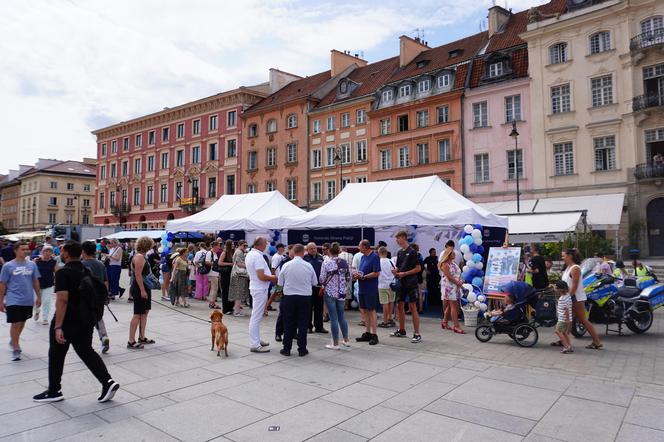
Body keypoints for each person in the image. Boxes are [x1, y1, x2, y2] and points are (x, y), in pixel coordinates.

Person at [32, 241, 120, 404]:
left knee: (56, 354)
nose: (60, 253)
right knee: (87, 351)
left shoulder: (63, 273)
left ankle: (54, 390)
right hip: (85, 320)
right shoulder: (86, 270)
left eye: (62, 251)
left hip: (68, 321)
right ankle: (107, 382)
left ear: (65, 253)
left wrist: (58, 326)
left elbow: (62, 300)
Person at [0, 242, 41, 361]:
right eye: (23, 249)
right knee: (16, 323)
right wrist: (1, 301)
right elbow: (2, 284)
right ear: (15, 251)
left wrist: (39, 296)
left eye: (27, 249)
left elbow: (35, 281)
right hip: (13, 299)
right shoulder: (8, 266)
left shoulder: (32, 265)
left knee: (22, 322)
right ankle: (16, 348)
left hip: (27, 299)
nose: (26, 251)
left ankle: (13, 339)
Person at [278, 244, 318, 357]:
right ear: (302, 253)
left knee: (288, 323)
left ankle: (286, 349)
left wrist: (276, 294)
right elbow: (315, 282)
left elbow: (280, 284)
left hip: (289, 297)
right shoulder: (308, 265)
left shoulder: (286, 265)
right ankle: (302, 349)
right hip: (305, 297)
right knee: (303, 323)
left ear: (294, 252)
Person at [562, 248, 602, 350]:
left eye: (564, 256)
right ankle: (564, 340)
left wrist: (568, 296)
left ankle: (596, 341)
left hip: (576, 297)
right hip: (571, 296)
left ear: (570, 256)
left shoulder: (575, 268)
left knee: (583, 320)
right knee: (567, 319)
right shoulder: (568, 267)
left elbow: (574, 285)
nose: (562, 258)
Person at [245, 237, 277, 353]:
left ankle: (256, 340)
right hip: (259, 288)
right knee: (256, 316)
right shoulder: (257, 256)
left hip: (257, 287)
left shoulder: (251, 254)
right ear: (260, 244)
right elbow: (261, 276)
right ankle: (254, 343)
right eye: (265, 243)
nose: (267, 245)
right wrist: (273, 277)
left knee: (257, 316)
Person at [391, 231, 423, 342]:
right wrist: (396, 271)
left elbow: (418, 268)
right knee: (400, 306)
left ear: (404, 238)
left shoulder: (413, 252)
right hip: (401, 283)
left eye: (398, 238)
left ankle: (417, 333)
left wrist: (404, 274)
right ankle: (402, 330)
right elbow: (399, 268)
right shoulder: (400, 252)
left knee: (413, 307)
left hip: (411, 283)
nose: (396, 240)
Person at [81, 241, 111, 354]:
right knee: (98, 318)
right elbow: (106, 282)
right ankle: (104, 337)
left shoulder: (81, 264)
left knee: (85, 320)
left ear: (83, 251)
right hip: (98, 296)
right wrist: (106, 296)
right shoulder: (101, 264)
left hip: (84, 297)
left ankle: (85, 344)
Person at [320, 242, 351, 349]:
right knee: (342, 317)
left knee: (333, 318)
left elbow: (321, 278)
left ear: (329, 251)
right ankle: (346, 340)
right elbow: (348, 277)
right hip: (341, 293)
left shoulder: (326, 263)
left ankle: (335, 343)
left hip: (330, 293)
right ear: (339, 251)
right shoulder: (344, 262)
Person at [128, 236, 156, 349]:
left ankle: (142, 337)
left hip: (144, 287)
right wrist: (142, 290)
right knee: (137, 314)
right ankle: (131, 340)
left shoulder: (142, 256)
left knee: (144, 312)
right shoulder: (139, 257)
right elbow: (138, 275)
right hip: (140, 287)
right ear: (147, 245)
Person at [354, 240, 380, 345]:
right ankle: (367, 332)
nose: (358, 248)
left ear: (365, 247)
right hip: (362, 287)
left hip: (370, 288)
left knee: (371, 310)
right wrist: (357, 275)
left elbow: (377, 272)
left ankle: (374, 335)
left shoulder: (374, 256)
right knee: (364, 310)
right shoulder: (363, 257)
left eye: (359, 246)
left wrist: (364, 276)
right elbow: (362, 271)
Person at [439, 247, 464, 334]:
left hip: (455, 286)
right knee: (453, 305)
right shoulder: (445, 264)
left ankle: (444, 322)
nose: (454, 254)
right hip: (448, 287)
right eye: (453, 253)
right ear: (448, 255)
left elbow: (458, 273)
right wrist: (458, 282)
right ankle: (456, 326)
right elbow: (449, 277)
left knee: (450, 305)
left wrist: (460, 280)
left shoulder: (454, 263)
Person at [304, 242, 327, 334]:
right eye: (311, 248)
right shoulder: (304, 258)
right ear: (307, 250)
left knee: (319, 308)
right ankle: (308, 327)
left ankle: (319, 327)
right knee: (308, 308)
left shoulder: (321, 258)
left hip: (319, 287)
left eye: (314, 248)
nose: (313, 250)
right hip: (308, 287)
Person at [33, 245, 57, 326]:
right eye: (46, 251)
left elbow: (57, 273)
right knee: (37, 301)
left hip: (49, 284)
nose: (47, 253)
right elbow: (32, 269)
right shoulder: (37, 260)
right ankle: (37, 311)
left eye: (49, 251)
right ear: (42, 252)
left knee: (47, 301)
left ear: (52, 253)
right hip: (37, 284)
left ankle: (45, 318)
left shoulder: (53, 262)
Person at [377, 246, 396, 328]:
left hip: (382, 285)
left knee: (385, 303)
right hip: (392, 284)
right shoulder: (391, 261)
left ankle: (385, 322)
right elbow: (395, 271)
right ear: (386, 253)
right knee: (391, 302)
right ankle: (390, 318)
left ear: (379, 253)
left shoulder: (378, 262)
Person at [230, 240, 250, 316]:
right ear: (240, 245)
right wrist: (247, 265)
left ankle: (237, 309)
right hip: (239, 274)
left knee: (238, 293)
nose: (245, 247)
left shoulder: (237, 251)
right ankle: (237, 311)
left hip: (237, 274)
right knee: (239, 293)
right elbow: (239, 264)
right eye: (244, 246)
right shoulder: (239, 252)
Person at [553, 280, 573, 354]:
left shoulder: (562, 299)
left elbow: (566, 309)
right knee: (564, 333)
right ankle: (569, 346)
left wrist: (567, 320)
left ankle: (566, 346)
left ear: (559, 289)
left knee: (557, 331)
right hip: (567, 318)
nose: (554, 289)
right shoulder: (568, 296)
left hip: (563, 319)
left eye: (555, 287)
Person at [218, 240, 235, 314]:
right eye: (232, 244)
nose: (233, 245)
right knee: (225, 292)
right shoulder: (224, 253)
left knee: (231, 291)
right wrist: (230, 264)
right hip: (225, 274)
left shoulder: (231, 253)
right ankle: (225, 309)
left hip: (230, 274)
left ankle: (231, 307)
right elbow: (220, 263)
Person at [206, 241, 222, 309]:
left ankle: (212, 302)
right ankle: (212, 303)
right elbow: (207, 262)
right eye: (218, 245)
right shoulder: (210, 253)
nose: (219, 247)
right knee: (214, 288)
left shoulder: (214, 253)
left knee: (214, 288)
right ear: (215, 246)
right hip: (213, 273)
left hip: (215, 272)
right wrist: (215, 264)